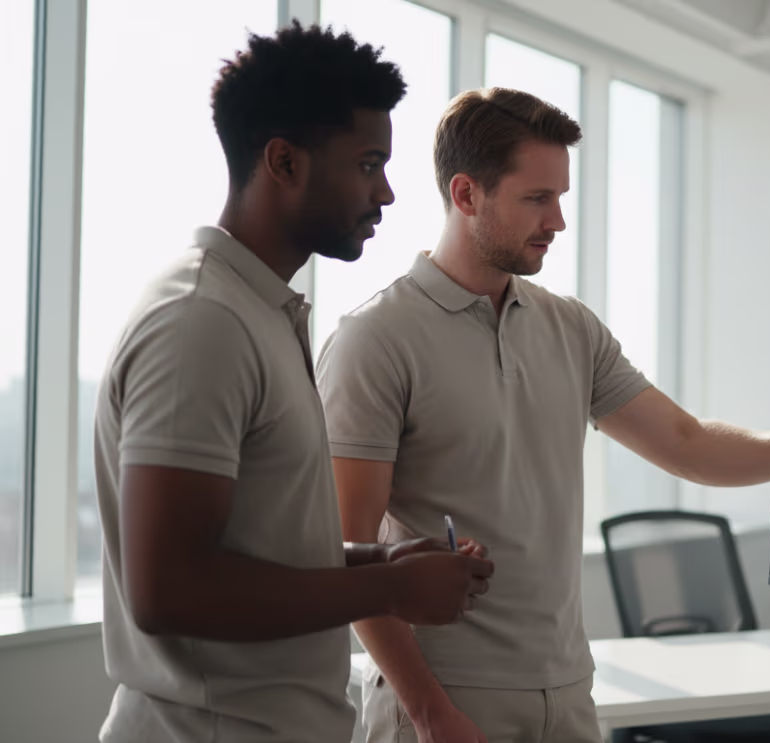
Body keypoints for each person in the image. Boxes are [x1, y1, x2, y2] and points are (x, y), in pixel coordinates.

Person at [316, 87, 770, 743]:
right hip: (445, 702)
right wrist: (432, 712)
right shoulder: (375, 338)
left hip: (569, 691)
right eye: (536, 198)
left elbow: (688, 444)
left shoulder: (570, 327)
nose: (558, 221)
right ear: (467, 195)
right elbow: (350, 558)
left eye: (561, 197)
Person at [94, 24, 492, 743]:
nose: (389, 191)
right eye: (368, 163)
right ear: (282, 161)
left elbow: (252, 549)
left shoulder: (258, 311)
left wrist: (383, 558)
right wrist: (390, 588)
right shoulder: (202, 322)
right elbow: (170, 588)